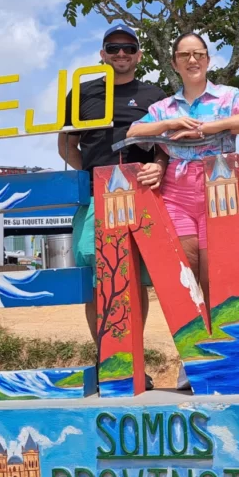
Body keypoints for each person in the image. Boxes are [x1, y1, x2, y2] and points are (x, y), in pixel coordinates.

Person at [127, 33, 239, 388]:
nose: (192, 60)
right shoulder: (164, 107)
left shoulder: (229, 96)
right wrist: (170, 125)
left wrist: (211, 127)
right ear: (175, 63)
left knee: (217, 276)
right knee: (185, 277)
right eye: (184, 55)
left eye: (198, 54)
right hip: (176, 192)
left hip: (219, 186)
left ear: (208, 60)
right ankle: (193, 359)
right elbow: (136, 131)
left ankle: (224, 355)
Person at [59, 22, 169, 389]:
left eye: (128, 48)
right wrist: (95, 175)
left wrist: (159, 167)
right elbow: (67, 147)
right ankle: (109, 357)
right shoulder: (82, 93)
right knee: (97, 278)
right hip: (95, 197)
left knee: (135, 280)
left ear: (138, 54)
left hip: (141, 197)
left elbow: (166, 148)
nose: (120, 54)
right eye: (113, 47)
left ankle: (132, 358)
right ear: (102, 54)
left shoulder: (154, 95)